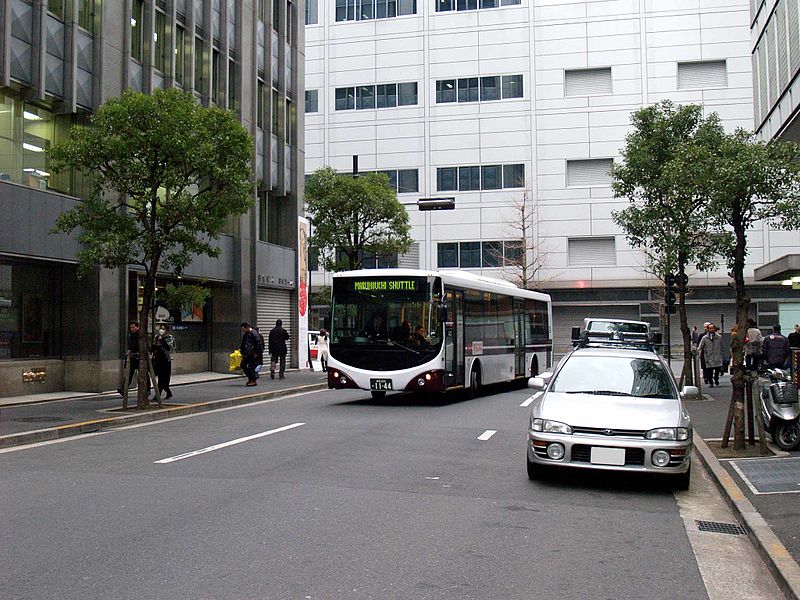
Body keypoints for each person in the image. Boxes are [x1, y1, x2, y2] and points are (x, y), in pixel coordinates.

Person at [119, 321, 150, 397]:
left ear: (137, 327)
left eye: (133, 327)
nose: (132, 329)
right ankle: (123, 389)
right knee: (129, 374)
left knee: (144, 374)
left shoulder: (141, 335)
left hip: (140, 357)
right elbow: (130, 346)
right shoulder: (131, 335)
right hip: (133, 357)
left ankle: (147, 389)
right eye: (131, 328)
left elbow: (146, 346)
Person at [151, 324, 175, 399]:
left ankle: (158, 394)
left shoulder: (170, 337)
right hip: (157, 359)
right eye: (160, 328)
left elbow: (168, 347)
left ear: (167, 330)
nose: (161, 330)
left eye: (163, 329)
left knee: (164, 378)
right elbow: (153, 346)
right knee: (160, 377)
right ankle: (167, 392)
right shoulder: (156, 337)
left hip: (165, 359)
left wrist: (162, 339)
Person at [697, 322, 723, 387]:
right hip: (708, 357)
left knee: (717, 370)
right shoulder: (705, 338)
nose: (712, 330)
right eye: (710, 328)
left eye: (713, 328)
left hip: (717, 356)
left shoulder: (719, 337)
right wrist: (697, 351)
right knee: (709, 372)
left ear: (714, 329)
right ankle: (711, 382)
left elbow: (722, 346)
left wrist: (722, 354)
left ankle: (716, 379)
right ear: (708, 329)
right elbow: (700, 346)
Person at [239, 322, 260, 386]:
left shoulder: (254, 333)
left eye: (243, 329)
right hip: (246, 353)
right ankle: (250, 378)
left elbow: (258, 343)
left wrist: (256, 353)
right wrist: (241, 350)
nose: (243, 331)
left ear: (247, 327)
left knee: (251, 367)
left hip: (252, 353)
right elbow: (243, 343)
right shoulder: (246, 334)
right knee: (243, 365)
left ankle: (253, 380)